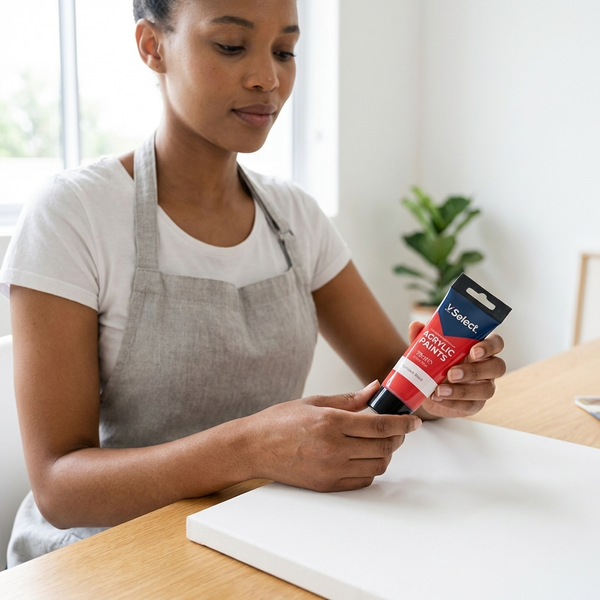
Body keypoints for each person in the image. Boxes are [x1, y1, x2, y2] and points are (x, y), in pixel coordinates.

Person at [0, 0, 506, 567]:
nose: (268, 77)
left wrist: (443, 387)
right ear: (152, 46)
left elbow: (395, 379)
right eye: (231, 46)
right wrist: (249, 449)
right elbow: (59, 489)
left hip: (256, 535)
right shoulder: (73, 214)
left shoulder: (296, 216)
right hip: (102, 555)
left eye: (285, 51)